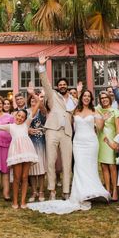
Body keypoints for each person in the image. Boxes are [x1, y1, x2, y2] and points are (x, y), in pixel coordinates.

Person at [27, 88, 110, 215]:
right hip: (78, 142)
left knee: (91, 167)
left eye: (89, 96)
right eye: (84, 96)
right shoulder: (75, 110)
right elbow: (67, 120)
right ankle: (80, 192)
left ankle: (93, 191)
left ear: (91, 99)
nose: (86, 98)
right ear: (81, 98)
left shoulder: (95, 110)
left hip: (91, 142)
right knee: (79, 167)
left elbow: (99, 128)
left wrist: (103, 119)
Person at [0, 109, 39, 208]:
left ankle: (22, 201)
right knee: (17, 178)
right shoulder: (10, 126)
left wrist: (39, 99)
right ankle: (15, 201)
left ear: (25, 119)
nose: (20, 118)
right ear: (15, 116)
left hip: (27, 152)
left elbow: (33, 113)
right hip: (16, 153)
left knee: (25, 177)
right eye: (18, 115)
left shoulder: (26, 125)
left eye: (22, 117)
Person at [37, 54, 74, 200]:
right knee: (51, 161)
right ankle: (52, 190)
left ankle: (66, 191)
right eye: (60, 84)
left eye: (65, 84)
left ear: (67, 86)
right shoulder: (53, 96)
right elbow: (45, 82)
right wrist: (41, 66)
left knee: (67, 163)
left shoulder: (73, 100)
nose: (62, 86)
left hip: (67, 133)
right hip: (52, 130)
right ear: (58, 87)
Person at [96, 91, 119, 202]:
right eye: (102, 98)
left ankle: (115, 190)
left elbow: (118, 128)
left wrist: (117, 142)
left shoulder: (115, 111)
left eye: (106, 97)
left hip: (111, 140)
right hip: (101, 139)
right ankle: (107, 190)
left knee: (112, 166)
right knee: (104, 166)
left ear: (110, 98)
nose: (104, 99)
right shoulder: (98, 111)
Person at [26, 92, 47, 202]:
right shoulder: (26, 112)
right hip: (29, 142)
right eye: (32, 100)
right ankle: (34, 192)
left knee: (41, 168)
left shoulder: (41, 111)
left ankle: (41, 191)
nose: (34, 102)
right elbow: (21, 125)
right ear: (29, 101)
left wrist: (36, 96)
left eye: (36, 100)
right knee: (32, 169)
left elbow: (44, 111)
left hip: (41, 142)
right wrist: (28, 130)